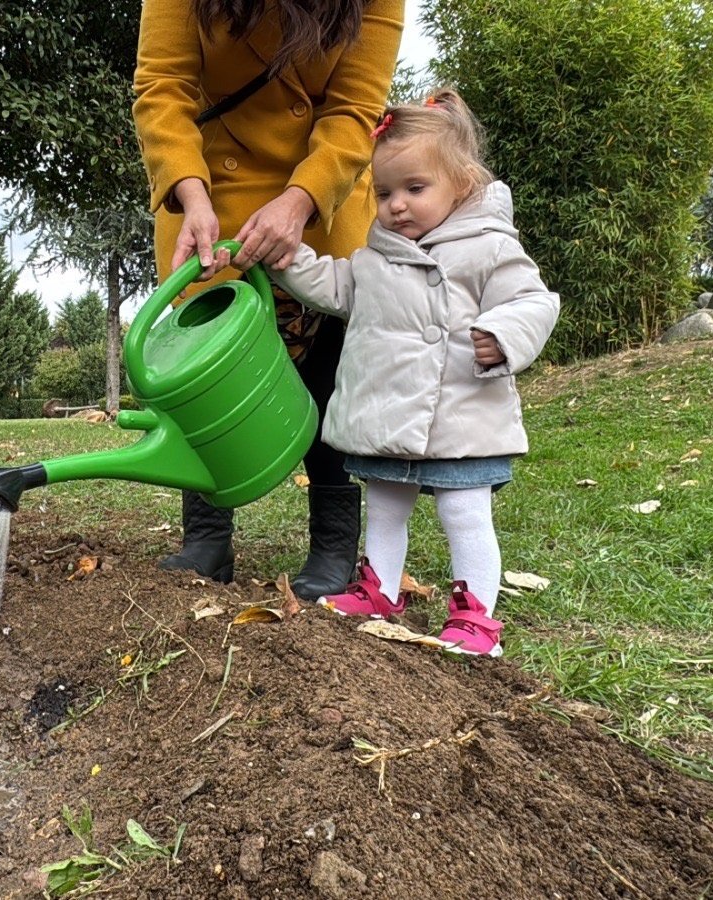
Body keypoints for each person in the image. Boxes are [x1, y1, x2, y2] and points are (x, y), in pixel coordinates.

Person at [267, 89, 560, 657]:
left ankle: (477, 616)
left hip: (461, 412)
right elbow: (335, 286)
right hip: (390, 412)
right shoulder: (375, 256)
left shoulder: (489, 247)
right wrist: (289, 259)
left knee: (464, 511)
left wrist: (502, 336)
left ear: (462, 184)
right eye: (384, 193)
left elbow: (534, 301)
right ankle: (380, 589)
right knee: (386, 502)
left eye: (415, 189)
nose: (397, 205)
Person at [132, 0, 402, 598]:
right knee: (205, 377)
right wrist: (190, 195)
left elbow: (355, 110)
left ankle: (333, 546)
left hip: (319, 204)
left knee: (329, 380)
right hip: (210, 198)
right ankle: (207, 538)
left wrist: (301, 200)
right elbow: (163, 85)